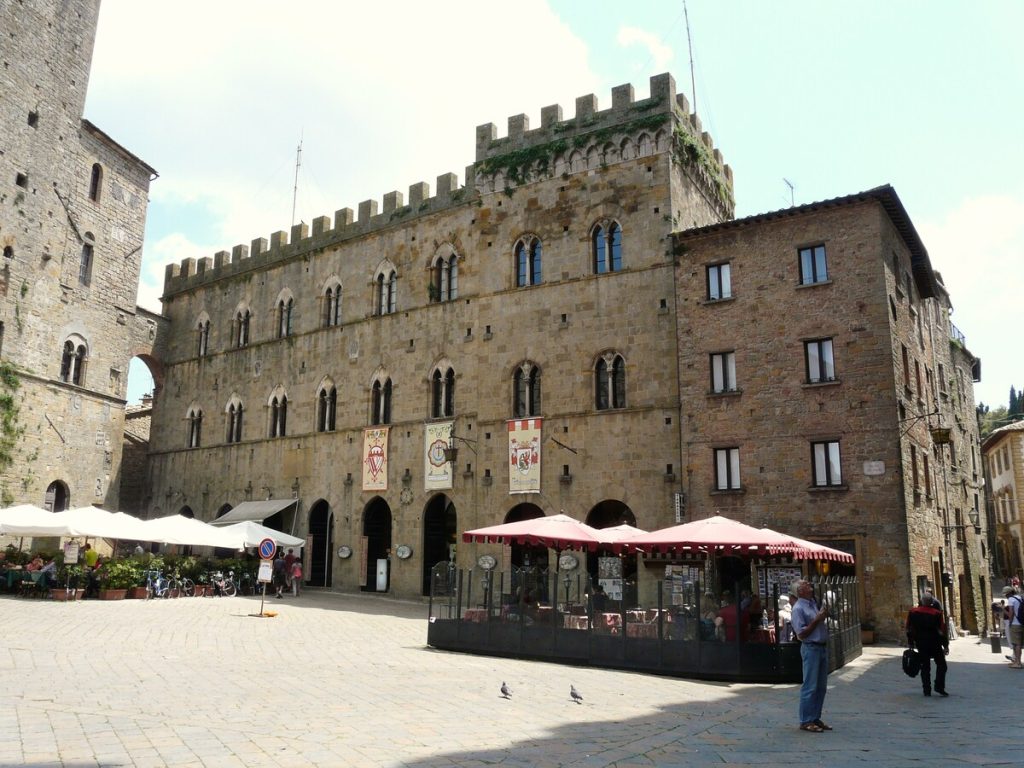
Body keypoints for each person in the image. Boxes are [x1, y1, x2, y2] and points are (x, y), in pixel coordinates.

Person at [790, 579, 831, 732]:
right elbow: (801, 634)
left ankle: (815, 717)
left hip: (821, 648)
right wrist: (817, 620)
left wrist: (822, 617)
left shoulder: (813, 603)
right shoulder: (798, 609)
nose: (810, 585)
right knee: (810, 685)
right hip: (811, 648)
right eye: (805, 585)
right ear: (799, 591)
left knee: (821, 686)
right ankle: (806, 720)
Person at [906, 592, 949, 695]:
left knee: (925, 666)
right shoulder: (937, 614)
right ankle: (939, 686)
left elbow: (909, 629)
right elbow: (941, 631)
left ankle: (926, 690)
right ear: (931, 603)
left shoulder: (913, 612)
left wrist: (911, 643)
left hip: (921, 643)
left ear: (921, 601)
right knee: (942, 665)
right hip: (935, 642)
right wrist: (945, 645)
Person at [1006, 585, 1023, 669]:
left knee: (1016, 644)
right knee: (1019, 643)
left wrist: (1009, 623)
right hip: (1022, 623)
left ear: (1009, 593)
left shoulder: (1011, 599)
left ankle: (1018, 663)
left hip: (1015, 624)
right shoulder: (1020, 598)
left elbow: (1011, 614)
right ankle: (1017, 661)